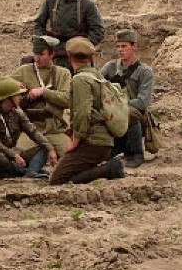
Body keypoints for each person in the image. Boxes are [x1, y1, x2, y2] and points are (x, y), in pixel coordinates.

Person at [49, 37, 125, 185]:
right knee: (71, 174)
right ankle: (106, 168)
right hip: (104, 141)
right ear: (90, 57)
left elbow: (82, 113)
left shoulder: (80, 80)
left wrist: (75, 141)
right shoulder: (97, 76)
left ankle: (109, 169)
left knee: (57, 180)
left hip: (91, 142)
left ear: (69, 56)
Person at [33, 0, 106, 71]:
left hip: (77, 58)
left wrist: (81, 47)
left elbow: (99, 31)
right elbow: (38, 24)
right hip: (55, 54)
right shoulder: (51, 1)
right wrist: (45, 45)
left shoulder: (87, 4)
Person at [9, 35, 72, 156]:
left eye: (42, 54)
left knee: (70, 158)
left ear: (52, 54)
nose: (37, 58)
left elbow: (67, 100)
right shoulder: (24, 71)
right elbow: (0, 88)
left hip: (55, 131)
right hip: (30, 131)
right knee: (19, 157)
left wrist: (44, 92)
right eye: (35, 54)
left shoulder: (63, 74)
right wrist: (14, 86)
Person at [0, 78, 58, 179]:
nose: (20, 97)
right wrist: (14, 155)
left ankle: (30, 172)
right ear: (8, 98)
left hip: (13, 155)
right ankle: (25, 171)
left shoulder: (17, 113)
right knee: (0, 159)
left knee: (43, 148)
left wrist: (50, 148)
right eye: (17, 95)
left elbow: (33, 132)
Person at [100, 29, 154, 168]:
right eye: (118, 46)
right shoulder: (110, 67)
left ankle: (137, 154)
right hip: (112, 110)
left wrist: (119, 105)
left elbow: (142, 102)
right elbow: (97, 84)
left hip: (135, 113)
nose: (120, 50)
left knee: (127, 113)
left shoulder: (144, 71)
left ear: (134, 47)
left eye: (124, 46)